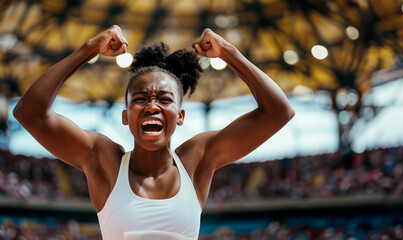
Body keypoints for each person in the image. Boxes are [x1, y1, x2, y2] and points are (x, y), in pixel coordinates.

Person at [13, 25, 295, 239]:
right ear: (126, 116)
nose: (152, 106)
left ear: (181, 116)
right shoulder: (104, 161)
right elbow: (30, 113)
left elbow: (278, 112)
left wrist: (229, 53)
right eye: (140, 99)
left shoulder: (196, 161)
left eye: (165, 99)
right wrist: (88, 49)